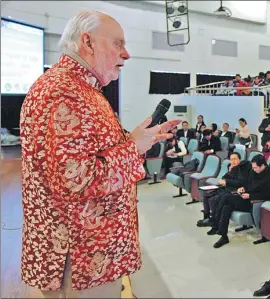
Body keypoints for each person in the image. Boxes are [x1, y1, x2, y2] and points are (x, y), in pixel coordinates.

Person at [19, 11, 181, 297]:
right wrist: (133, 148)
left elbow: (92, 155)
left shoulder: (82, 90)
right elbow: (75, 179)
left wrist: (136, 140)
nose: (127, 54)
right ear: (88, 42)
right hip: (81, 260)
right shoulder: (64, 92)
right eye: (118, 44)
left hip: (93, 254)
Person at [207, 155, 270, 248]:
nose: (254, 169)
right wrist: (243, 188)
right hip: (246, 198)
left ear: (262, 166)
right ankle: (223, 236)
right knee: (226, 207)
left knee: (227, 197)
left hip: (256, 203)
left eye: (256, 167)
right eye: (253, 167)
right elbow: (247, 184)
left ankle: (214, 221)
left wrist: (251, 195)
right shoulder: (253, 172)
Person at [197, 152, 251, 227]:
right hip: (228, 188)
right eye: (231, 159)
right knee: (206, 196)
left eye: (235, 159)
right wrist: (229, 172)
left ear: (240, 159)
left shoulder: (243, 168)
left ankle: (215, 221)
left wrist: (227, 182)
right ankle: (207, 217)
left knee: (213, 199)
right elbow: (224, 178)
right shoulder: (233, 168)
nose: (233, 161)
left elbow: (240, 182)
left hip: (234, 191)